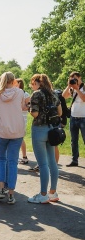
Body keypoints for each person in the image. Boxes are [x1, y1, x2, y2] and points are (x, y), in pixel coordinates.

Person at [27, 74, 62, 204]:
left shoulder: (36, 94)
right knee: (52, 161)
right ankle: (52, 193)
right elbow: (60, 113)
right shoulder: (54, 94)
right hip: (52, 130)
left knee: (42, 164)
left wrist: (30, 108)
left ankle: (43, 195)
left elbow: (35, 113)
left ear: (38, 83)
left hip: (39, 130)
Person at [0, 72, 25, 205]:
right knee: (13, 162)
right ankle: (11, 194)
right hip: (17, 131)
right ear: (13, 80)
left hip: (2, 131)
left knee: (1, 160)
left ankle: (1, 189)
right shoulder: (20, 93)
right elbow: (22, 107)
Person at [62, 71, 85, 167]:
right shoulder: (72, 89)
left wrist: (77, 89)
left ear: (80, 78)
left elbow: (84, 98)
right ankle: (74, 160)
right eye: (72, 79)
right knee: (73, 140)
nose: (74, 80)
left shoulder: (83, 87)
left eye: (75, 78)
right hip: (73, 117)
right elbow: (63, 96)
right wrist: (69, 86)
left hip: (83, 117)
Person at [15, 78, 30, 164]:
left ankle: (24, 157)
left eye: (15, 83)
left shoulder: (26, 94)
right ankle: (18, 156)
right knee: (16, 138)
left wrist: (19, 107)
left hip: (22, 118)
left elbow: (28, 107)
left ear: (19, 84)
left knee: (20, 138)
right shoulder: (14, 93)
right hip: (15, 118)